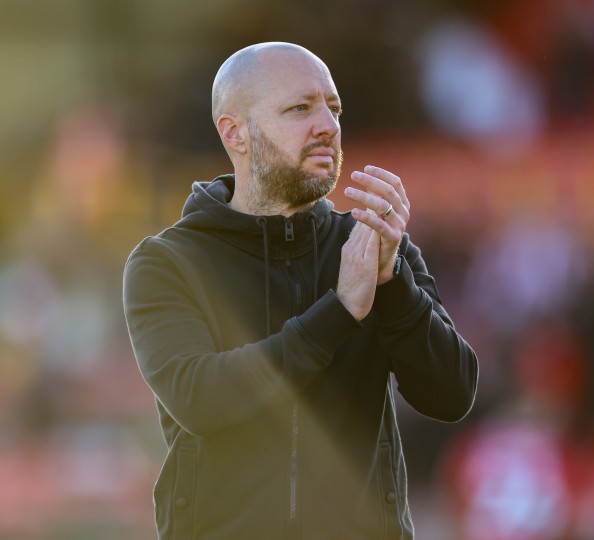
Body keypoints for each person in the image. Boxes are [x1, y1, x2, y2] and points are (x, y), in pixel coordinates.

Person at [122, 42, 479, 539]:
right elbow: (200, 398)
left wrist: (393, 283)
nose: (328, 126)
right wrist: (340, 312)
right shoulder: (169, 262)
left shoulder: (373, 246)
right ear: (235, 132)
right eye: (300, 109)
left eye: (334, 109)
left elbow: (451, 396)